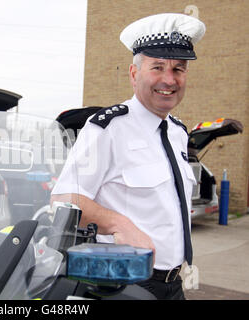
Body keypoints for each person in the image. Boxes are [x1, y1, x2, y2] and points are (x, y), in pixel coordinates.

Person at [51, 13, 206, 300]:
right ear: (134, 74)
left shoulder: (178, 132)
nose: (168, 80)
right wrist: (119, 224)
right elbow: (64, 198)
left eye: (178, 69)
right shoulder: (108, 128)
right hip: (126, 284)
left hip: (173, 283)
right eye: (157, 67)